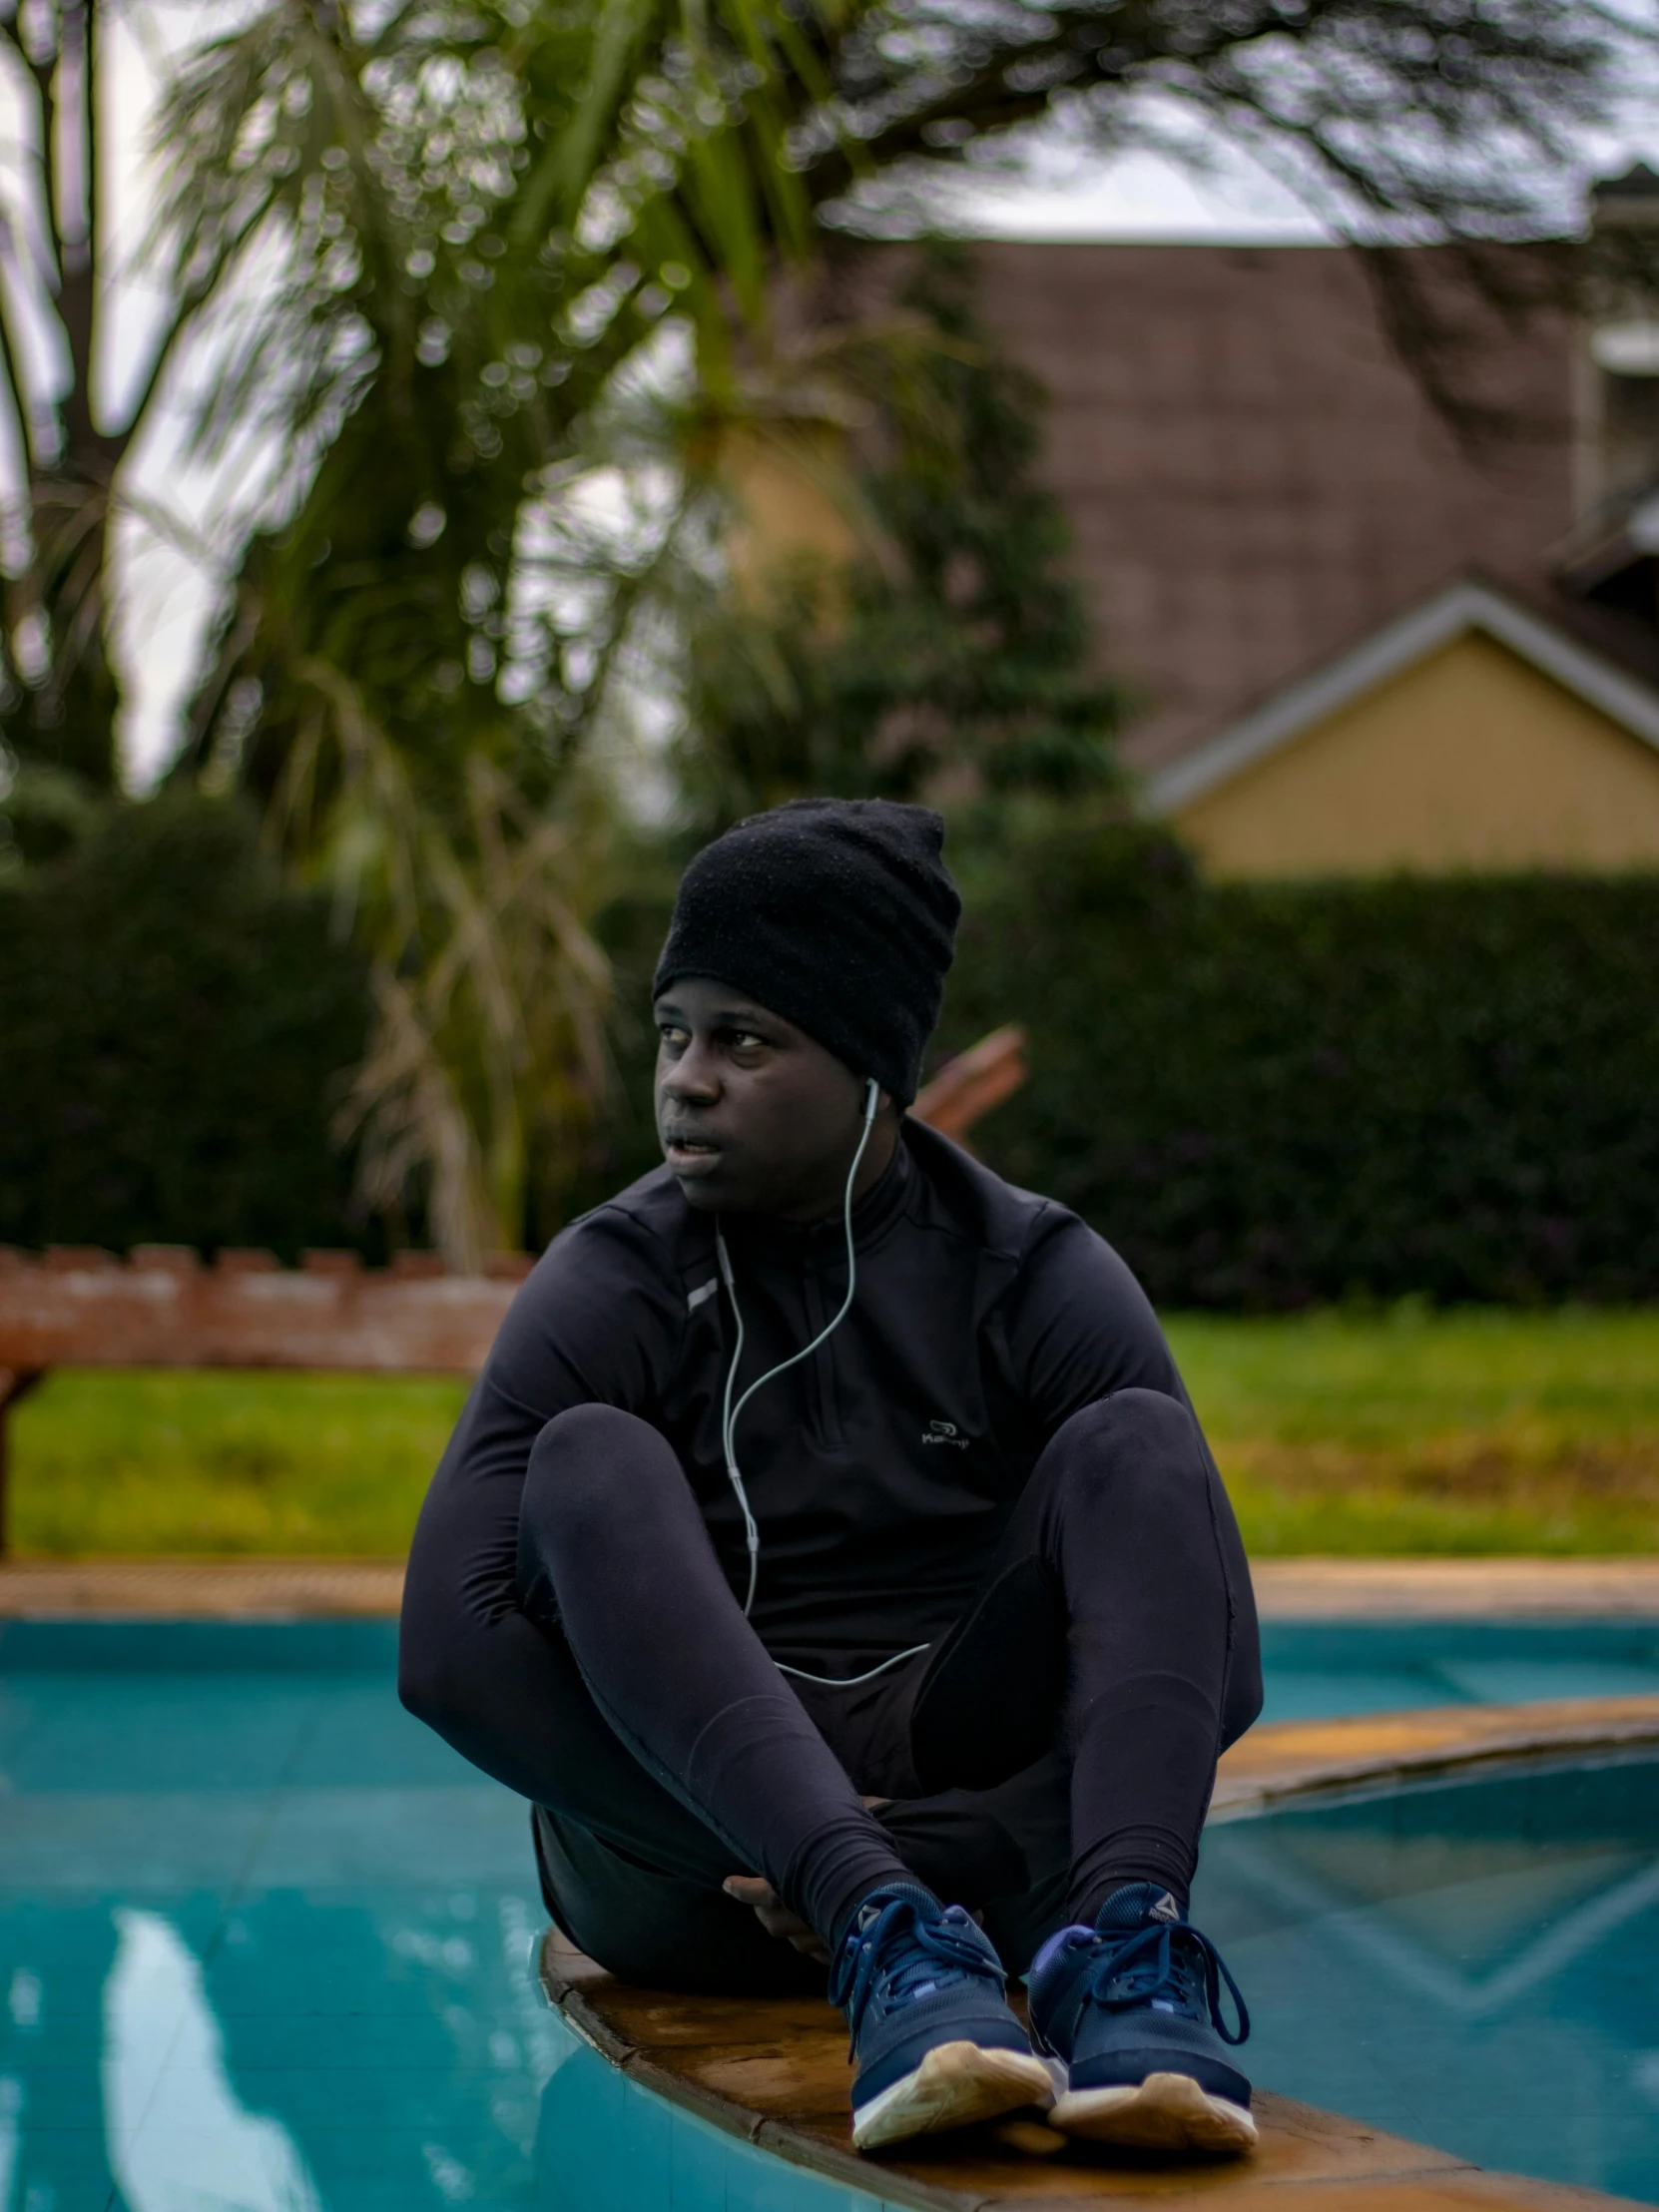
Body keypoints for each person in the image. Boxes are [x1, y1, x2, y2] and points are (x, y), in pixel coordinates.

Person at [399, 798, 1263, 2156]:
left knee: (1138, 1443)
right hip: (682, 1879)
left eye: (744, 1040)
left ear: (872, 1067)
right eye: (673, 1033)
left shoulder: (1029, 1271)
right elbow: (450, 1654)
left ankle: (1128, 1956)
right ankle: (882, 1938)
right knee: (588, 1457)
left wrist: (966, 1850)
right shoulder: (612, 1278)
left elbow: (1214, 1651)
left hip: (973, 1862)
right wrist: (821, 1868)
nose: (686, 1078)